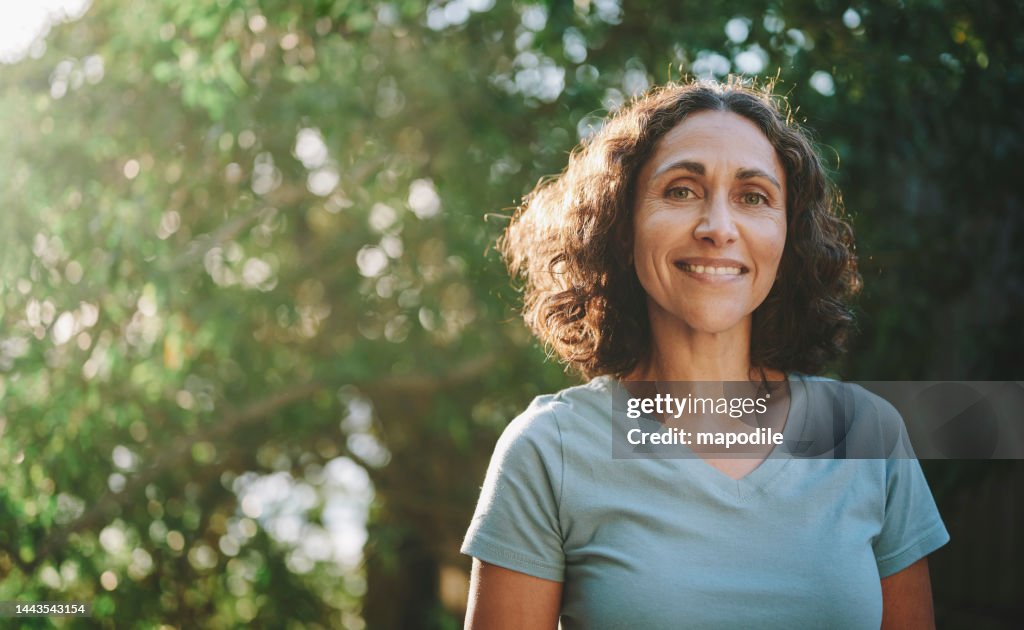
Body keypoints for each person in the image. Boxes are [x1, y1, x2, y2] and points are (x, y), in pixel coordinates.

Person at [461, 79, 949, 629]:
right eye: (681, 191)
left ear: (788, 237)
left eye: (753, 197)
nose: (718, 228)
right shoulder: (548, 450)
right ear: (622, 225)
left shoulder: (866, 435)